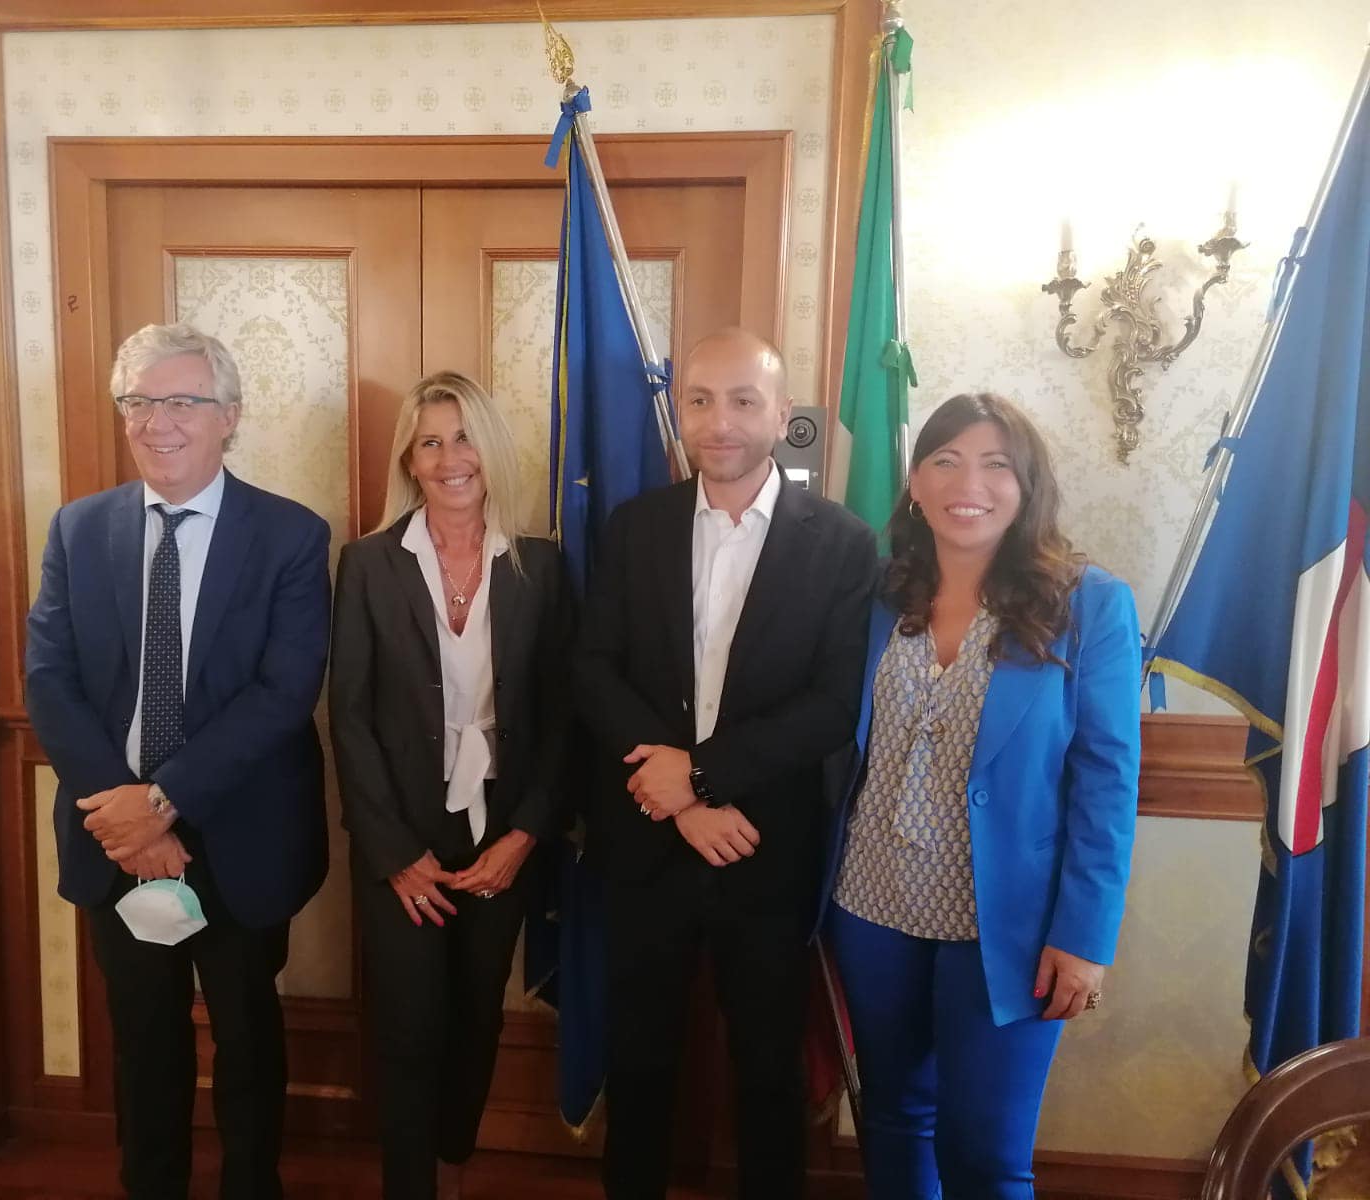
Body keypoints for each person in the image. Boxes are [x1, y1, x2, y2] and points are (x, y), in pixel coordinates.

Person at [25, 322, 332, 1200]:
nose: (159, 422)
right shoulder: (79, 529)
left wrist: (163, 801)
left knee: (246, 1037)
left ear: (229, 416)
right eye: (141, 401)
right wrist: (128, 813)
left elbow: (283, 692)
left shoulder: (290, 535)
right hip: (113, 836)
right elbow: (48, 678)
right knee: (143, 1039)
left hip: (240, 835)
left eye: (184, 402)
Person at [576, 327, 878, 1199]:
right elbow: (593, 670)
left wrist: (704, 779)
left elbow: (832, 704)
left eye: (745, 401)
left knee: (768, 1071)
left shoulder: (842, 544)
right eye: (701, 400)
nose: (720, 422)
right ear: (679, 409)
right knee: (639, 1061)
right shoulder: (635, 527)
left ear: (782, 416)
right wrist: (680, 799)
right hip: (648, 839)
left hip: (766, 847)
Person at [817, 392, 1140, 1198]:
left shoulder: (1089, 604)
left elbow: (1106, 781)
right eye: (947, 460)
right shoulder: (878, 595)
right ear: (916, 482)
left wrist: (1086, 936)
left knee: (987, 1154)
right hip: (872, 905)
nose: (970, 484)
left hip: (1010, 923)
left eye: (997, 464)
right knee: (893, 1118)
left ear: (1028, 485)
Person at [329, 370, 570, 1200]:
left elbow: (562, 716)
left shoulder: (541, 566)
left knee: (476, 1016)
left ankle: (452, 1165)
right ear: (409, 459)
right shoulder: (368, 563)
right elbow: (348, 715)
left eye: (463, 437)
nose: (448, 457)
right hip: (401, 831)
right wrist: (394, 852)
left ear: (489, 448)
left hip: (502, 827)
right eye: (429, 442)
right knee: (407, 1024)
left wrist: (525, 835)